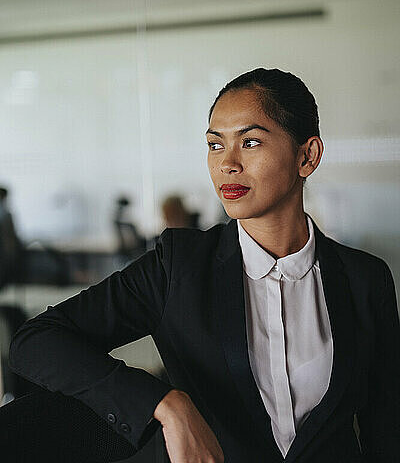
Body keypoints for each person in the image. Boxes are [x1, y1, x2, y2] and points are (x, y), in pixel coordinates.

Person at [9, 68, 400, 462]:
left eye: (250, 142)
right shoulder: (179, 267)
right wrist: (162, 402)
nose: (227, 164)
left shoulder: (365, 278)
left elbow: (385, 427)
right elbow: (36, 341)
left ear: (307, 155)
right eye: (215, 146)